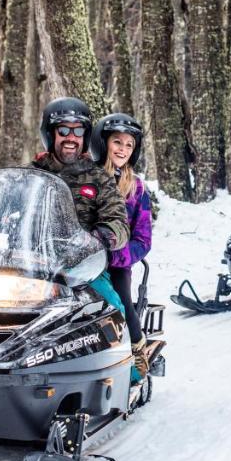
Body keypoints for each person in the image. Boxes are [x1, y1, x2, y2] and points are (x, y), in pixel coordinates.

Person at [32, 97, 129, 316]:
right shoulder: (32, 174)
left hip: (82, 268)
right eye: (64, 130)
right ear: (50, 133)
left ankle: (127, 348)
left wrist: (103, 235)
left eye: (78, 132)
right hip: (31, 265)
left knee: (113, 311)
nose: (71, 138)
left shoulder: (98, 177)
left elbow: (119, 221)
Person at [90, 113, 154, 380]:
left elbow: (143, 238)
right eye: (118, 142)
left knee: (122, 303)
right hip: (80, 259)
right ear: (105, 143)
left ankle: (137, 351)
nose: (123, 150)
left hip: (116, 262)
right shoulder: (85, 178)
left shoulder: (137, 189)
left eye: (129, 145)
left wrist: (120, 255)